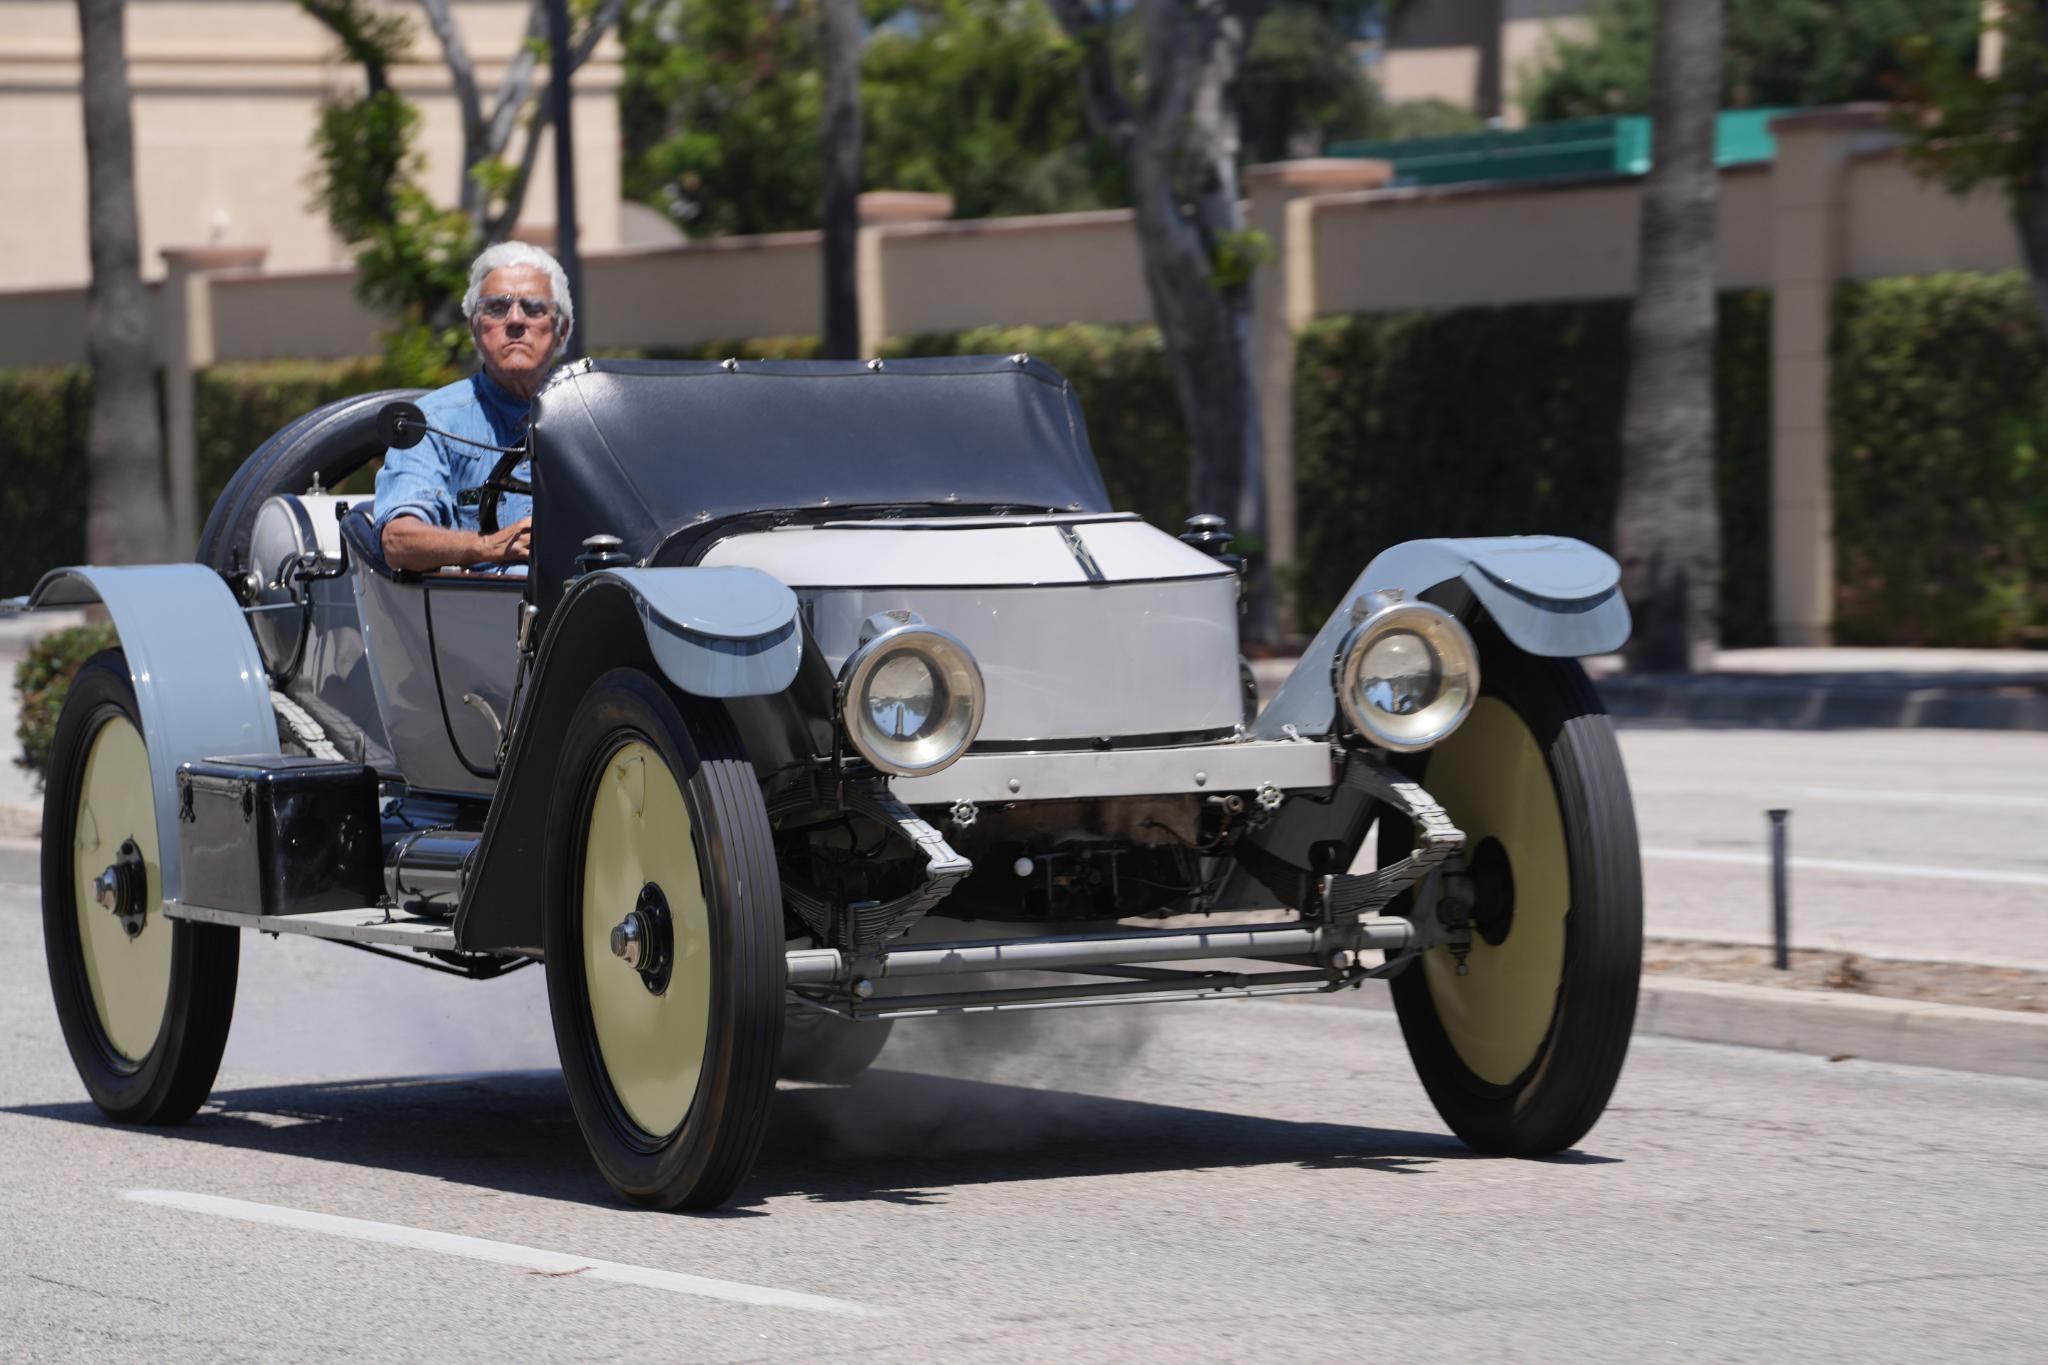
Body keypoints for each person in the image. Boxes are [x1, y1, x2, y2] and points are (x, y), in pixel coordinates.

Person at [373, 241, 574, 572]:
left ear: (561, 330)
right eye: (496, 308)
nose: (515, 320)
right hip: (478, 613)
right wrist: (487, 547)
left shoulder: (597, 417)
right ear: (474, 328)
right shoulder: (431, 423)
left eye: (534, 308)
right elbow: (398, 541)